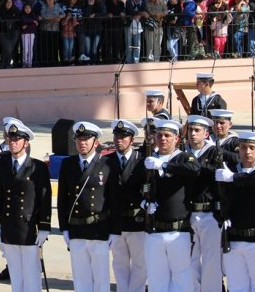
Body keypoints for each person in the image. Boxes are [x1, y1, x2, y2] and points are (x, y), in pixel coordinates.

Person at [57, 121, 120, 292]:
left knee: (100, 279)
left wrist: (115, 230)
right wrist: (64, 228)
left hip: (99, 228)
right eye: (79, 139)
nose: (82, 143)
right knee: (81, 278)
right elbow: (62, 199)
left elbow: (114, 199)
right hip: (76, 228)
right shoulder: (68, 164)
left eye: (86, 139)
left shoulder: (107, 164)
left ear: (96, 142)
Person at [0, 119, 51, 292]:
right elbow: (0, 194)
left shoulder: (37, 167)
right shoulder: (3, 165)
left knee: (31, 275)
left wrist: (45, 226)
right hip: (9, 226)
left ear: (26, 142)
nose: (13, 142)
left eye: (17, 139)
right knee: (16, 275)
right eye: (11, 139)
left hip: (29, 228)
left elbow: (44, 198)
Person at [142, 119, 200, 292]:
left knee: (182, 279)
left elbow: (194, 168)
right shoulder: (149, 158)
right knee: (156, 278)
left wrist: (165, 165)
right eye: (159, 135)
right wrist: (143, 201)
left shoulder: (183, 157)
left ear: (176, 139)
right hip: (154, 229)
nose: (163, 139)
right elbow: (138, 184)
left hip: (178, 231)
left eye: (167, 135)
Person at [183, 115, 236, 292]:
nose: (192, 134)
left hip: (209, 213)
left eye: (197, 130)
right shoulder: (184, 153)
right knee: (191, 261)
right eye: (190, 130)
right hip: (188, 213)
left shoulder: (214, 153)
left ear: (206, 133)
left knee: (211, 261)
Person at [214, 131, 255, 292]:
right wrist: (220, 215)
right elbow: (217, 200)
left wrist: (232, 178)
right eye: (243, 147)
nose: (247, 152)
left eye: (252, 147)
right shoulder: (229, 171)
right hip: (233, 239)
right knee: (236, 286)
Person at [104, 119, 146, 292]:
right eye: (116, 136)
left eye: (123, 136)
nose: (118, 140)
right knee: (119, 263)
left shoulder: (142, 160)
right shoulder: (106, 161)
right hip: (116, 221)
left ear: (132, 139)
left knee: (140, 264)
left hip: (137, 221)